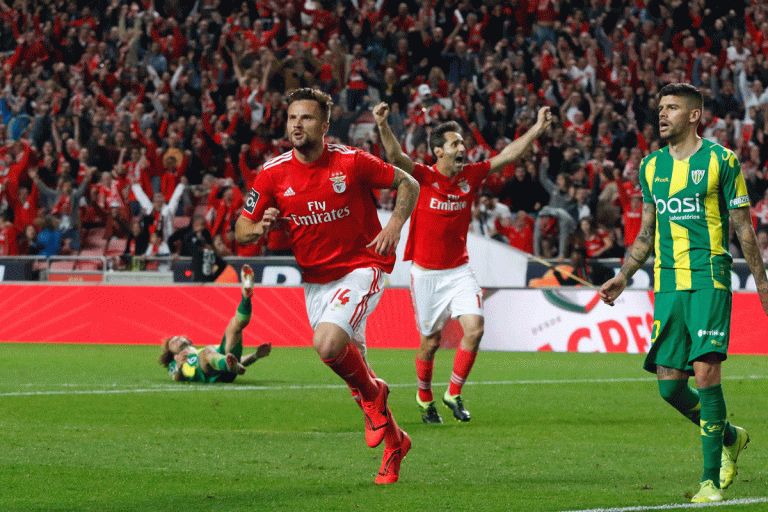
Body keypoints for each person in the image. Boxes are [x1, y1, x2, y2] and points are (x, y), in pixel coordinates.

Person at [234, 88, 420, 484]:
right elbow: (241, 229)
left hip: (363, 265)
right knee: (357, 375)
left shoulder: (352, 162)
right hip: (316, 282)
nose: (297, 125)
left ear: (324, 125)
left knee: (328, 345)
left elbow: (410, 184)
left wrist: (393, 226)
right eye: (292, 118)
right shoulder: (272, 173)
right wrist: (259, 229)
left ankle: (375, 395)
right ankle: (395, 441)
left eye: (306, 118)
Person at [599, 84, 768, 503]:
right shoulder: (651, 167)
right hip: (668, 282)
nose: (662, 114)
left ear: (694, 115)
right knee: (669, 387)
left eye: (672, 107)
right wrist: (623, 276)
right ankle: (730, 437)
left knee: (707, 373)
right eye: (660, 107)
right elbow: (645, 234)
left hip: (709, 278)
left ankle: (710, 480)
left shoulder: (721, 160)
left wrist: (762, 283)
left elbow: (743, 228)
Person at [373, 101, 551, 424]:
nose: (462, 148)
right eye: (455, 143)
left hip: (459, 271)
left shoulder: (470, 175)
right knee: (430, 343)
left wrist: (536, 129)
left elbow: (508, 155)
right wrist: (384, 125)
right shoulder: (423, 177)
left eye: (462, 143)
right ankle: (424, 396)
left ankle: (453, 393)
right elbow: (396, 158)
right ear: (438, 151)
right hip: (426, 275)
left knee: (475, 328)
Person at [159, 265, 272, 382]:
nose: (176, 339)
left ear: (187, 340)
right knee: (206, 353)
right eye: (172, 342)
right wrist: (178, 365)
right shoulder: (176, 361)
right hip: (210, 374)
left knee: (234, 326)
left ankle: (246, 299)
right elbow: (177, 378)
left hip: (227, 369)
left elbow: (238, 360)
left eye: (177, 337)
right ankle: (228, 366)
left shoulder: (212, 349)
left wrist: (256, 355)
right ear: (173, 354)